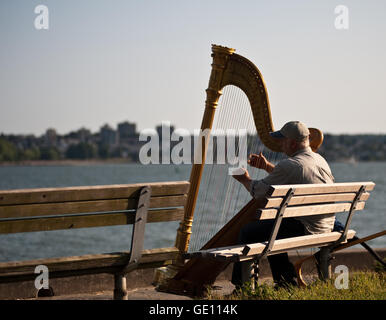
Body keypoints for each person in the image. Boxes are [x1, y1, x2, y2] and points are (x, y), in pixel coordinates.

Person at [231, 120, 335, 288]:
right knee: (273, 228)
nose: (280, 145)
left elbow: (258, 191)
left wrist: (244, 179)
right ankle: (285, 282)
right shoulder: (319, 159)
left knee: (248, 232)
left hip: (307, 228)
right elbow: (295, 179)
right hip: (326, 225)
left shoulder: (290, 165)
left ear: (292, 143)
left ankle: (241, 287)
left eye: (282, 141)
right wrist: (267, 167)